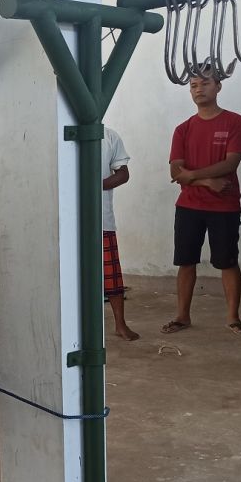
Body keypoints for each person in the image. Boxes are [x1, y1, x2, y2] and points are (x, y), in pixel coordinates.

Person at [163, 73, 241, 336]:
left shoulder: (235, 122)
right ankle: (182, 316)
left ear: (218, 86)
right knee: (186, 262)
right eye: (193, 85)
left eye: (204, 83)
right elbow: (175, 171)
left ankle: (233, 317)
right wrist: (206, 182)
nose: (198, 89)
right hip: (189, 205)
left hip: (224, 206)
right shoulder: (183, 128)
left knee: (227, 261)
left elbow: (231, 162)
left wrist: (192, 176)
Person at [101, 126, 138, 341]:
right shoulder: (57, 130)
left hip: (101, 217)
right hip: (65, 219)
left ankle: (120, 324)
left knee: (111, 276)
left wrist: (93, 185)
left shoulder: (109, 135)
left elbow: (123, 174)